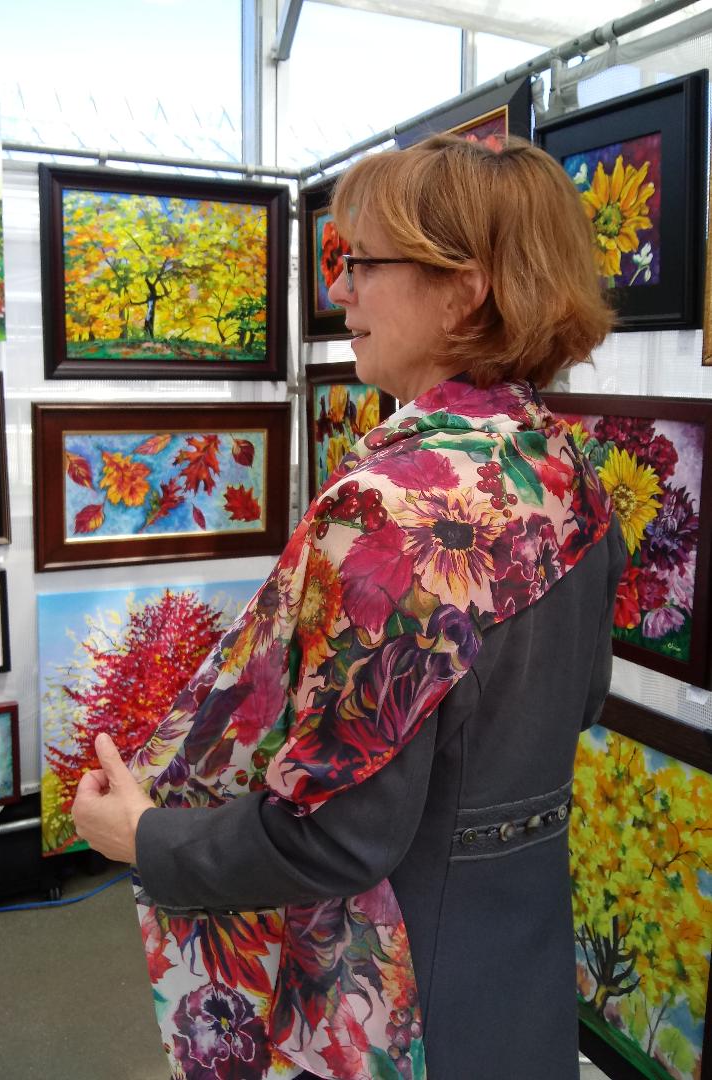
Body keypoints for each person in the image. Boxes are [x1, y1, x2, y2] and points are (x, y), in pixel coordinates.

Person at [72, 133, 626, 1080]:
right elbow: (580, 706)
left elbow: (338, 833)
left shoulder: (393, 511)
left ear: (465, 288)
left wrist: (146, 837)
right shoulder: (567, 475)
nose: (343, 292)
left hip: (402, 994)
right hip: (521, 958)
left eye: (363, 262)